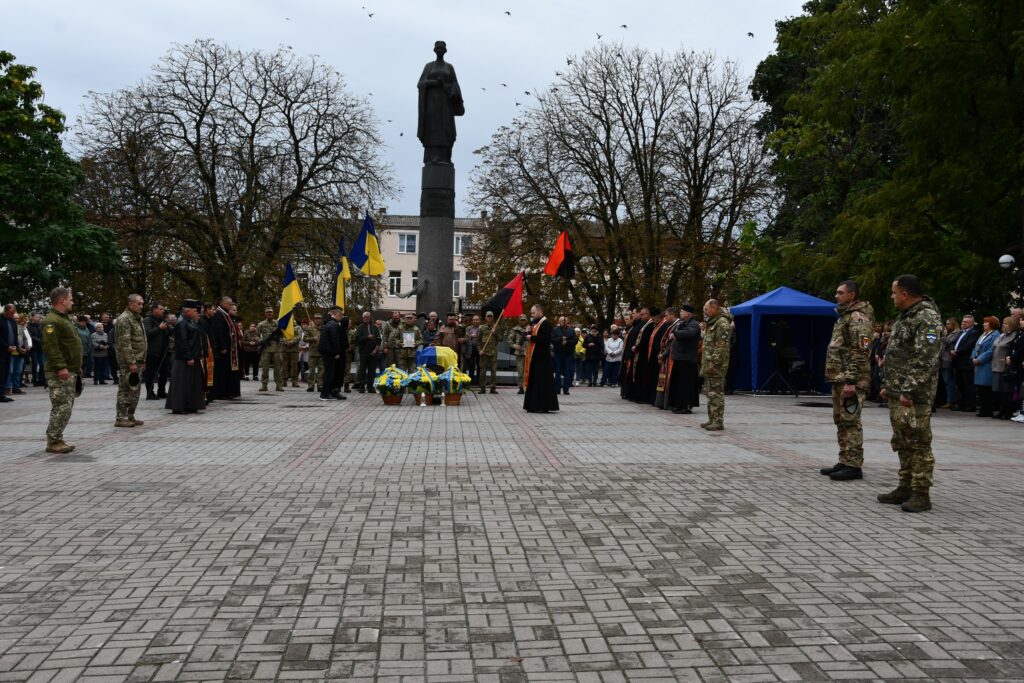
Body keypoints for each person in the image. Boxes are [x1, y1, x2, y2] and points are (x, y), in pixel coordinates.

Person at [878, 274, 942, 513]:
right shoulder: (906, 317)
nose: (892, 296)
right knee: (902, 441)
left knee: (918, 443)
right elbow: (899, 356)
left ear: (904, 294)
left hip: (915, 395)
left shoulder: (927, 318)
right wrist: (890, 386)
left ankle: (921, 493)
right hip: (899, 391)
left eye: (894, 292)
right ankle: (905, 486)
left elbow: (925, 358)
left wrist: (908, 389)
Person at [821, 280, 875, 481]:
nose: (836, 296)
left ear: (852, 295)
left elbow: (860, 351)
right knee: (841, 420)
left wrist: (851, 380)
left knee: (851, 421)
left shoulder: (857, 318)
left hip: (850, 380)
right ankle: (844, 459)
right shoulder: (844, 317)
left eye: (840, 292)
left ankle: (853, 464)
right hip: (839, 378)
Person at [41, 288, 82, 453]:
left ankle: (57, 437)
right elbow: (52, 347)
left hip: (70, 369)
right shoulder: (51, 320)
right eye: (70, 299)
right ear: (61, 300)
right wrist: (61, 367)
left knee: (66, 406)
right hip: (59, 371)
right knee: (61, 406)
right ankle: (53, 441)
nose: (72, 302)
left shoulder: (64, 319)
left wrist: (75, 365)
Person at [417, 40, 465, 164]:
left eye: (441, 48)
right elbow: (420, 84)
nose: (439, 50)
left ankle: (446, 157)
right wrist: (432, 82)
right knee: (433, 129)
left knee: (446, 130)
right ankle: (433, 156)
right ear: (434, 50)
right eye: (437, 48)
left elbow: (455, 84)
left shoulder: (449, 67)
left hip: (445, 103)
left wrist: (445, 85)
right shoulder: (429, 66)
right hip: (431, 104)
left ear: (445, 50)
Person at [165, 300, 206, 414]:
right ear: (187, 310)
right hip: (184, 358)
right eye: (194, 311)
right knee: (182, 383)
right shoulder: (182, 322)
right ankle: (179, 406)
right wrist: (189, 357)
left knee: (191, 383)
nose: (196, 313)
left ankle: (191, 405)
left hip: (193, 356)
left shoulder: (189, 321)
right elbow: (183, 341)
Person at [113, 294, 148, 428]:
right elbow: (125, 343)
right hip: (128, 362)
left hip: (138, 360)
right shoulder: (125, 319)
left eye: (142, 304)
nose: (141, 306)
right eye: (139, 303)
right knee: (125, 389)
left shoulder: (137, 318)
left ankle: (130, 415)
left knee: (135, 389)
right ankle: (121, 417)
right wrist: (131, 362)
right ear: (131, 303)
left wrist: (142, 360)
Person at [699, 300, 732, 431]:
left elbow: (721, 345)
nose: (705, 312)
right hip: (709, 364)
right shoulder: (713, 322)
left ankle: (718, 421)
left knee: (716, 393)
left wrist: (714, 362)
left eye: (706, 309)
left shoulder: (722, 322)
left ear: (714, 308)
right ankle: (712, 419)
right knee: (710, 392)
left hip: (716, 365)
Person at [523, 304, 559, 413]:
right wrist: (528, 333)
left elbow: (545, 339)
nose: (532, 315)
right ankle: (533, 405)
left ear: (540, 312)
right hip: (537, 358)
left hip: (543, 359)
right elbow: (537, 337)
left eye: (533, 313)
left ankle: (542, 405)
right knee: (536, 381)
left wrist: (531, 337)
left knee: (542, 382)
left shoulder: (545, 323)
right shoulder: (538, 323)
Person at [664, 305, 700, 413]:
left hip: (687, 358)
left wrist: (675, 334)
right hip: (680, 357)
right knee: (678, 383)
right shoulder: (682, 323)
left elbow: (689, 333)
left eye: (682, 311)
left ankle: (685, 405)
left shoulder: (694, 324)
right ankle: (677, 404)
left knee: (685, 384)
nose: (680, 312)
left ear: (688, 313)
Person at [211, 296, 242, 399]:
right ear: (223, 303)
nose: (230, 306)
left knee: (228, 371)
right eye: (229, 304)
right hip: (223, 349)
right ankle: (222, 393)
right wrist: (222, 346)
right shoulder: (219, 314)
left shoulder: (225, 314)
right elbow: (219, 332)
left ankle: (229, 391)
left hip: (230, 348)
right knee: (222, 371)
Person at [319, 306, 349, 401]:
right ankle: (325, 394)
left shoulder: (329, 323)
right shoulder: (334, 324)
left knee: (330, 373)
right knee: (330, 374)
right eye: (341, 315)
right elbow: (334, 340)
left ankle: (329, 392)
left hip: (326, 351)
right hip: (330, 353)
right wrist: (336, 352)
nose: (341, 317)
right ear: (336, 314)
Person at [971, 316, 999, 417]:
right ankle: (983, 409)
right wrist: (973, 357)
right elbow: (976, 347)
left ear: (992, 324)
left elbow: (991, 350)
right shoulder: (983, 334)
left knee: (986, 388)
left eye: (986, 322)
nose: (984, 324)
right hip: (978, 364)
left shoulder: (995, 335)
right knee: (980, 388)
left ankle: (987, 410)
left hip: (986, 364)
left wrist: (979, 359)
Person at [950, 314, 980, 412]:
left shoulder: (974, 333)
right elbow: (955, 342)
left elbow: (969, 345)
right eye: (963, 321)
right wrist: (952, 350)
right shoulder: (961, 332)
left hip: (966, 362)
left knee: (968, 384)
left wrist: (957, 352)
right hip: (957, 361)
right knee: (960, 384)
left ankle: (970, 405)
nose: (963, 323)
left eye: (966, 322)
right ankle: (961, 403)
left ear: (971, 323)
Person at [991, 317, 1019, 419]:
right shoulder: (1003, 335)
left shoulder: (1014, 336)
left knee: (1006, 390)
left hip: (1005, 365)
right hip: (996, 365)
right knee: (999, 390)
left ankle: (1007, 411)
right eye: (1003, 323)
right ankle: (1002, 410)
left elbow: (1011, 349)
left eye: (1006, 324)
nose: (1004, 325)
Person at [142, 302, 170, 400]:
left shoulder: (162, 320)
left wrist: (172, 325)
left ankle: (161, 391)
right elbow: (147, 333)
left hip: (163, 352)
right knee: (151, 373)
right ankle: (150, 393)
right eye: (161, 309)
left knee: (164, 372)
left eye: (163, 309)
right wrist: (159, 328)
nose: (163, 311)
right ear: (154, 309)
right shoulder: (147, 320)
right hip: (152, 351)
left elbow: (168, 332)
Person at [256, 307, 284, 392]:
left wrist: (281, 340)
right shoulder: (261, 324)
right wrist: (261, 341)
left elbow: (283, 334)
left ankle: (279, 385)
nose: (269, 314)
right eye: (267, 312)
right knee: (265, 369)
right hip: (266, 350)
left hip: (277, 349)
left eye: (270, 312)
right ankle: (264, 385)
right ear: (265, 314)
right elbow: (256, 336)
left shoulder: (278, 323)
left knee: (278, 369)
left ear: (273, 313)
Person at [354, 311, 383, 392]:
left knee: (372, 370)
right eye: (365, 317)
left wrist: (375, 350)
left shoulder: (375, 328)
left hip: (373, 352)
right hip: (363, 352)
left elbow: (379, 340)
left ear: (370, 318)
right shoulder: (360, 328)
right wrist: (367, 337)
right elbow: (357, 340)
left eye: (368, 317)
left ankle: (370, 387)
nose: (366, 318)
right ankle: (362, 386)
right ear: (363, 318)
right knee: (362, 370)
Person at [550, 316, 577, 395]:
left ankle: (566, 389)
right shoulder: (555, 330)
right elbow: (552, 340)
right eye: (561, 320)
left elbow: (575, 341)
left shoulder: (571, 330)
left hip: (568, 354)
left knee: (567, 372)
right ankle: (557, 389)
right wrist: (561, 339)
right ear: (559, 321)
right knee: (557, 372)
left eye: (564, 321)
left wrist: (567, 341)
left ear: (567, 321)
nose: (563, 322)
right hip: (558, 354)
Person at [619, 310, 642, 399]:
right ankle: (624, 392)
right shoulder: (629, 329)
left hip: (630, 354)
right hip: (626, 354)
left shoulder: (634, 328)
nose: (626, 321)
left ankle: (627, 392)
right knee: (625, 374)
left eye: (628, 319)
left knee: (627, 374)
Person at [938, 318, 960, 409]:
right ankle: (947, 399)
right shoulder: (948, 333)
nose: (946, 326)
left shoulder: (957, 333)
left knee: (949, 381)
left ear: (953, 324)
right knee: (945, 382)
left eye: (948, 324)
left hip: (948, 360)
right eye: (946, 324)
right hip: (942, 360)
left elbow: (950, 343)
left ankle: (951, 401)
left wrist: (942, 335)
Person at [477, 311, 500, 393]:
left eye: (491, 316)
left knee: (493, 371)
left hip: (493, 353)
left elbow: (500, 339)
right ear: (485, 318)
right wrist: (479, 350)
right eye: (488, 316)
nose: (489, 318)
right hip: (484, 353)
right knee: (482, 371)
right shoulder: (482, 328)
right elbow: (478, 341)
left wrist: (495, 333)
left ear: (493, 317)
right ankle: (482, 388)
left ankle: (492, 388)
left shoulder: (496, 327)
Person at [506, 314, 529, 394]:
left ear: (527, 320)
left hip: (529, 353)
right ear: (519, 320)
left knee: (529, 371)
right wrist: (515, 346)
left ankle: (529, 387)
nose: (523, 321)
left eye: (524, 320)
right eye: (521, 320)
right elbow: (509, 340)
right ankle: (521, 387)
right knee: (520, 371)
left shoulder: (531, 329)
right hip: (519, 353)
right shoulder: (515, 329)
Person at [305, 314, 323, 393]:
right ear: (314, 320)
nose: (318, 320)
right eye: (316, 318)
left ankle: (320, 385)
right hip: (312, 352)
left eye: (319, 318)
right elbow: (304, 339)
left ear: (321, 320)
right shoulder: (310, 329)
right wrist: (313, 338)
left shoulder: (324, 328)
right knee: (311, 370)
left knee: (321, 370)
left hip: (321, 353)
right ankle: (311, 385)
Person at [27, 311, 45, 388]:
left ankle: (41, 379)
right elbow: (30, 336)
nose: (39, 318)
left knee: (42, 364)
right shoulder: (28, 326)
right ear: (32, 317)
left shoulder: (40, 325)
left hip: (41, 348)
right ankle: (34, 380)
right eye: (37, 316)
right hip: (34, 348)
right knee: (35, 364)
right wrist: (39, 340)